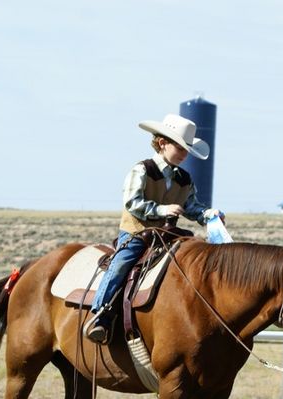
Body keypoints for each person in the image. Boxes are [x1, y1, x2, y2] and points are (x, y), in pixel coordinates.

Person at [85, 113, 224, 344]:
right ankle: (100, 315)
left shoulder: (185, 179)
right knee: (121, 264)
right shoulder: (142, 170)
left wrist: (208, 214)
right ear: (162, 143)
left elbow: (191, 207)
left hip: (167, 237)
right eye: (180, 147)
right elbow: (132, 202)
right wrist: (162, 210)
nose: (184, 153)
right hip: (137, 234)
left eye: (186, 149)